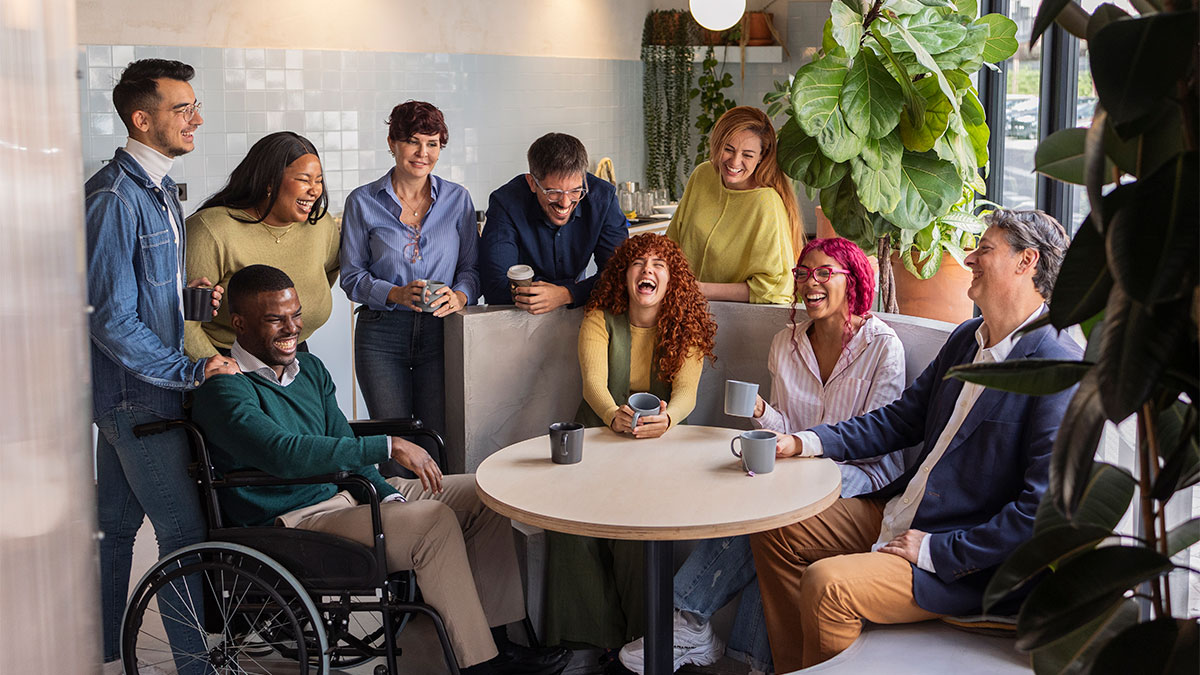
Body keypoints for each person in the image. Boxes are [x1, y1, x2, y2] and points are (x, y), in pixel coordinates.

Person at [191, 265, 570, 675]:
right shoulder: (224, 387)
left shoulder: (309, 368)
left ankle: (498, 640)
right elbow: (284, 453)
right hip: (296, 520)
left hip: (350, 493)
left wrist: (387, 491)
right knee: (434, 521)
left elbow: (342, 444)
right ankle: (481, 665)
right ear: (239, 324)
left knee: (484, 494)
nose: (291, 328)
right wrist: (388, 445)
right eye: (275, 319)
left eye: (296, 315)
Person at [749, 210, 1078, 672]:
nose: (969, 257)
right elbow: (901, 419)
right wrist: (805, 442)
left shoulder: (1058, 366)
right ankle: (797, 667)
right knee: (775, 526)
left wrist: (935, 550)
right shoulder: (968, 337)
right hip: (903, 509)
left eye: (985, 249)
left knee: (828, 584)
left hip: (957, 554)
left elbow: (1041, 514)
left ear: (1027, 261)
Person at [618, 236, 909, 674]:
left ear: (853, 280)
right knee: (747, 498)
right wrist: (761, 413)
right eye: (803, 273)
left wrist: (801, 462)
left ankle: (688, 617)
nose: (810, 282)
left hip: (862, 492)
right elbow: (790, 431)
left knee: (769, 516)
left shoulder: (882, 347)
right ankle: (749, 661)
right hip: (797, 475)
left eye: (824, 272)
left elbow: (877, 447)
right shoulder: (786, 344)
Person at [85, 58, 239, 675]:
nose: (196, 117)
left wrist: (186, 296)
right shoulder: (115, 197)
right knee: (185, 536)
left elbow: (140, 298)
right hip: (137, 400)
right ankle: (195, 669)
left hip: (141, 396)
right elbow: (108, 318)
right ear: (141, 119)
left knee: (115, 532)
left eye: (194, 105)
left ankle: (95, 658)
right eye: (183, 108)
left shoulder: (160, 192)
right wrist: (190, 370)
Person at [544, 234, 717, 654]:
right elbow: (593, 385)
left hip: (660, 449)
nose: (648, 271)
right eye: (638, 263)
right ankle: (590, 645)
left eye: (659, 264)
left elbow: (686, 394)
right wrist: (611, 414)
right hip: (598, 443)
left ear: (672, 278)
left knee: (636, 536)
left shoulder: (686, 325)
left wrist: (669, 418)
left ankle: (642, 644)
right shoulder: (599, 317)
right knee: (570, 529)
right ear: (623, 276)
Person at [340, 101, 479, 471]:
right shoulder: (362, 201)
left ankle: (437, 520)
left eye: (432, 143)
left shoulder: (458, 199)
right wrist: (396, 293)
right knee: (394, 443)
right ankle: (398, 519)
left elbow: (470, 269)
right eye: (413, 142)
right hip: (381, 336)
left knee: (437, 438)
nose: (423, 153)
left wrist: (460, 295)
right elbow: (351, 276)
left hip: (441, 332)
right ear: (392, 143)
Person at [184, 131, 338, 358]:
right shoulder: (211, 229)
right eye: (305, 180)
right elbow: (186, 320)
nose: (315, 190)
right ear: (270, 181)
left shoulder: (321, 224)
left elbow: (328, 273)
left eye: (319, 180)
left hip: (295, 355)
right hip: (227, 359)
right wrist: (220, 370)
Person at [666, 106, 803, 305]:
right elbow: (671, 245)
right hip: (682, 311)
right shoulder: (703, 175)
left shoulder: (766, 203)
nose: (735, 161)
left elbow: (775, 289)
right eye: (728, 149)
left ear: (761, 156)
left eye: (747, 155)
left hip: (738, 321)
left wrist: (701, 290)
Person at [479, 132, 628, 313]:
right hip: (516, 319)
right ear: (532, 183)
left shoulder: (603, 199)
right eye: (553, 192)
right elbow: (495, 286)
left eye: (575, 191)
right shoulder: (505, 203)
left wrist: (567, 294)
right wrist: (557, 292)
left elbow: (620, 275)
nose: (565, 203)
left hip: (580, 316)